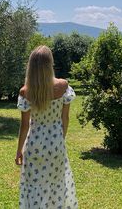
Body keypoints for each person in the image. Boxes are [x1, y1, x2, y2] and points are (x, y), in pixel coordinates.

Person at [15, 45, 78, 208]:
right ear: (50, 64)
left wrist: (18, 151)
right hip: (56, 143)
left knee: (35, 187)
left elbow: (24, 127)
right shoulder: (63, 86)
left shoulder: (26, 91)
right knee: (55, 184)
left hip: (34, 144)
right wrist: (59, 139)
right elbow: (65, 118)